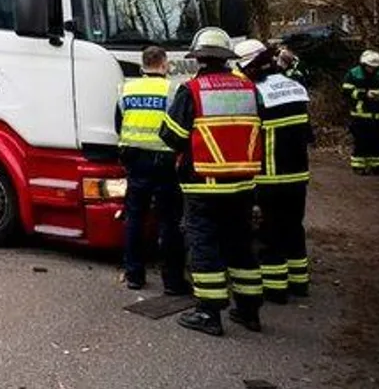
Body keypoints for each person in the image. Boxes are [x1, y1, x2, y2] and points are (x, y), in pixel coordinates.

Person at [160, 27, 265, 337]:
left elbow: (172, 136)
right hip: (244, 183)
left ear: (200, 58)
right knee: (241, 245)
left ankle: (209, 312)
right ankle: (248, 311)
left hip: (204, 184)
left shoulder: (191, 91)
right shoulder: (249, 89)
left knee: (204, 245)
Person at [235, 39, 314, 303]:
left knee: (271, 231)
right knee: (294, 227)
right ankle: (299, 282)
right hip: (298, 174)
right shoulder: (295, 86)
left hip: (270, 175)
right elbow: (308, 134)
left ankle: (275, 288)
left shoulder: (256, 93)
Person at [113, 45, 187, 295]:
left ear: (143, 65)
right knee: (169, 222)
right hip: (165, 162)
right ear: (164, 64)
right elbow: (179, 128)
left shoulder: (126, 88)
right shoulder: (173, 89)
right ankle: (173, 281)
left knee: (134, 218)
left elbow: (118, 123)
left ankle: (134, 275)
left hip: (134, 160)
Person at [341, 50, 379, 174]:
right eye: (370, 66)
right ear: (364, 64)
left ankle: (378, 166)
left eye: (375, 66)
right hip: (360, 114)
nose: (372, 69)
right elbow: (346, 91)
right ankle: (359, 165)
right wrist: (364, 95)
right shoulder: (354, 74)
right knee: (362, 140)